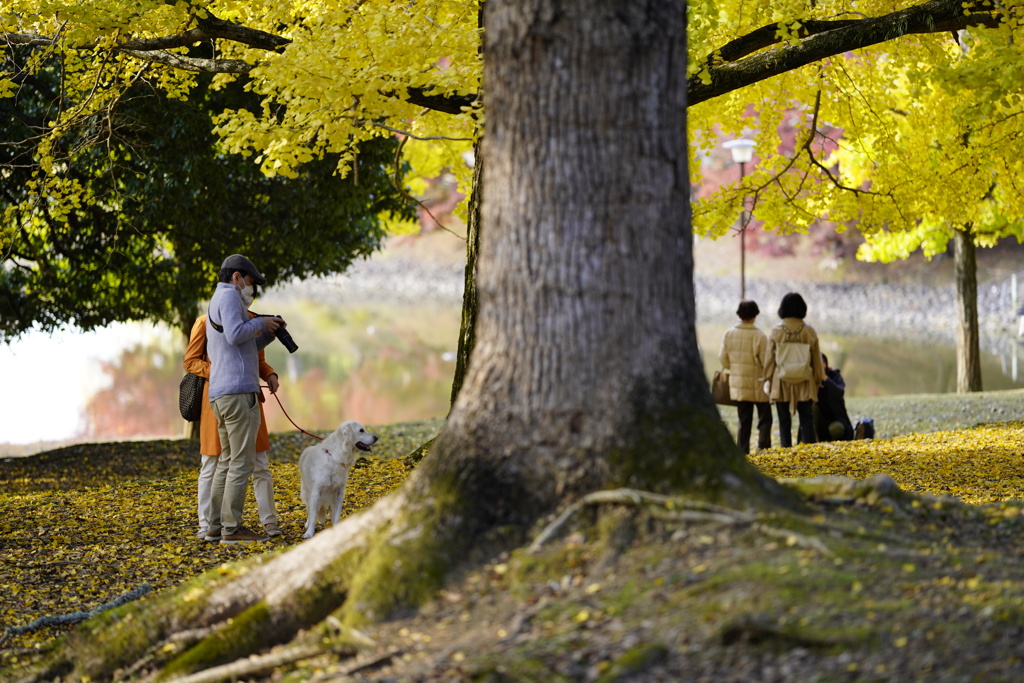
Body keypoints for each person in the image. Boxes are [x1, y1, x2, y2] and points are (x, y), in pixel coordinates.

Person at [184, 281, 283, 541]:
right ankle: (209, 523)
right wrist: (218, 372)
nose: (248, 295)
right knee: (214, 463)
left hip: (248, 394)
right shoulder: (203, 322)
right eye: (248, 286)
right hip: (217, 397)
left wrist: (269, 373)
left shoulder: (250, 319)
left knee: (259, 462)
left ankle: (269, 521)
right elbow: (190, 361)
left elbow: (255, 356)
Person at [763, 292, 825, 448]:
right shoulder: (809, 331)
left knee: (784, 420)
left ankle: (786, 451)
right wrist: (818, 379)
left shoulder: (776, 331)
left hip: (781, 380)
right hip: (804, 379)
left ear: (782, 308)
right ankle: (810, 452)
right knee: (807, 419)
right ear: (802, 308)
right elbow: (816, 359)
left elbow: (769, 359)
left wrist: (767, 378)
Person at [718, 300, 772, 454]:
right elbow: (766, 362)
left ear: (739, 315)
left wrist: (734, 367)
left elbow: (723, 359)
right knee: (765, 417)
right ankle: (763, 447)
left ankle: (742, 451)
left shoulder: (729, 334)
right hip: (758, 384)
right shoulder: (760, 336)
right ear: (755, 316)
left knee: (744, 420)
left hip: (739, 384)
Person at [815, 353, 854, 442]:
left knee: (836, 429)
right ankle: (814, 439)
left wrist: (825, 379)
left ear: (824, 364)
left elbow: (839, 392)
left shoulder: (835, 376)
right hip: (819, 422)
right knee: (813, 407)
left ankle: (834, 442)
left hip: (835, 419)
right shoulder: (811, 379)